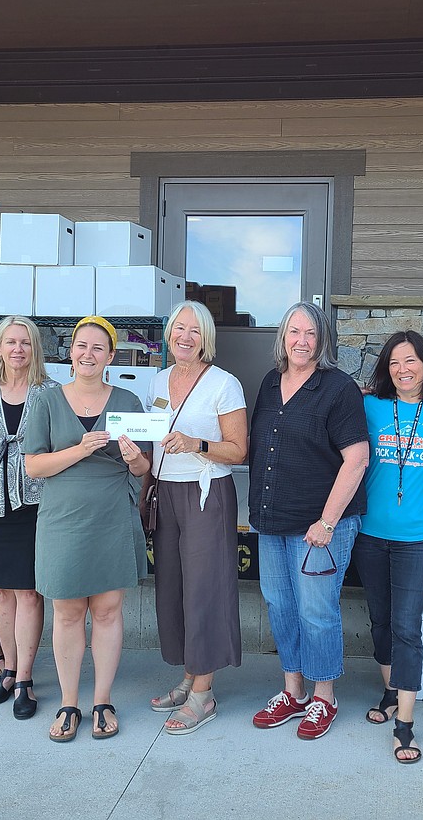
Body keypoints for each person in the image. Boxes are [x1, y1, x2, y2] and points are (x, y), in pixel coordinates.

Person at [23, 316, 151, 743]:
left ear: (111, 356)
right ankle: (68, 701)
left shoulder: (129, 401)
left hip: (112, 515)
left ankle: (102, 700)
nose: (88, 354)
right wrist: (79, 450)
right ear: (71, 352)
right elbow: (34, 465)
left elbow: (143, 468)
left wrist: (134, 458)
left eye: (98, 347)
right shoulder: (46, 401)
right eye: (81, 346)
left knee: (108, 611)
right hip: (62, 519)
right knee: (67, 611)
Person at [247, 301, 369, 741]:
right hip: (271, 521)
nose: (302, 341)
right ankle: (293, 691)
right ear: (283, 338)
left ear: (322, 341)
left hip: (318, 527)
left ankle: (324, 697)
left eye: (311, 334)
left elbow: (356, 460)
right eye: (294, 332)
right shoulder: (268, 383)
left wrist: (328, 522)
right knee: (280, 606)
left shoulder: (338, 389)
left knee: (317, 611)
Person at [144, 301, 247, 734]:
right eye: (179, 329)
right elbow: (150, 440)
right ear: (169, 334)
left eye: (195, 331)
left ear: (207, 338)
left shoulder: (225, 384)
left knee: (205, 588)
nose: (185, 337)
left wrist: (196, 444)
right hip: (164, 492)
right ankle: (189, 674)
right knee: (173, 586)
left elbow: (239, 450)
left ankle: (203, 692)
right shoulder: (157, 380)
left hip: (206, 495)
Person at [354, 330, 423, 763]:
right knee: (379, 621)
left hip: (417, 538)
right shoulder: (370, 406)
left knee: (407, 627)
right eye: (394, 362)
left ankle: (405, 726)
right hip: (371, 534)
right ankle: (390, 690)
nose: (403, 369)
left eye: (411, 360)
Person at [0, 316, 59, 720]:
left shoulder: (51, 393)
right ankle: (6, 669)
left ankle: (24, 678)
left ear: (34, 348)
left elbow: (58, 445)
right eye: (10, 342)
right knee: (0, 591)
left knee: (28, 591)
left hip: (35, 503)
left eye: (24, 342)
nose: (17, 349)